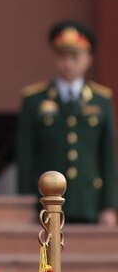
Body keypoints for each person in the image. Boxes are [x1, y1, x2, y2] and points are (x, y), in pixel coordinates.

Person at [17, 20, 117, 225]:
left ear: (88, 59)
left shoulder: (101, 100)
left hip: (88, 200)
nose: (68, 63)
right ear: (54, 58)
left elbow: (107, 156)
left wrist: (109, 205)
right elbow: (25, 156)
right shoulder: (34, 100)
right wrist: (24, 203)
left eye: (75, 56)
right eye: (62, 56)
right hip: (45, 201)